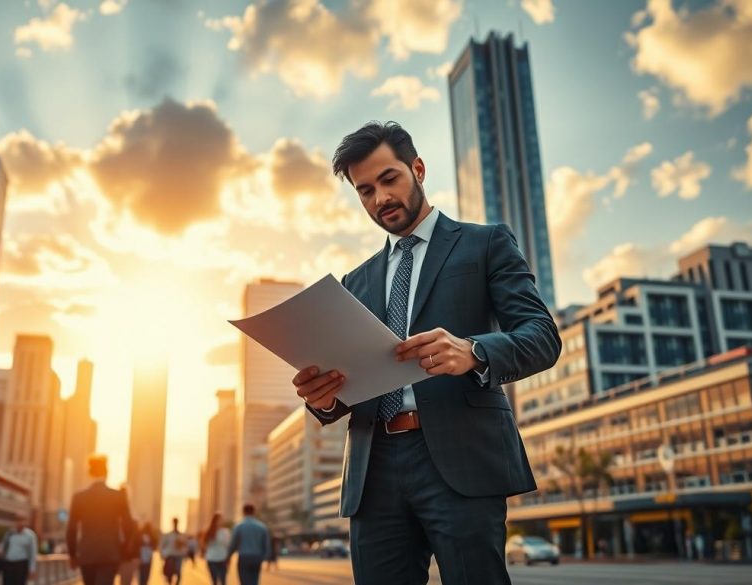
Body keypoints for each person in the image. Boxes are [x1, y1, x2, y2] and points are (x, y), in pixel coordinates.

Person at [295, 121, 561, 585]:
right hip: (372, 468)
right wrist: (324, 399)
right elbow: (349, 385)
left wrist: (474, 351)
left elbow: (542, 336)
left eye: (389, 179)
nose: (380, 199)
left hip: (461, 458)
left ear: (417, 169)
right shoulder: (354, 283)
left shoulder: (485, 243)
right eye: (365, 191)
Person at [67, 455, 136, 585]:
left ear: (89, 473)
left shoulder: (79, 498)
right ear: (107, 472)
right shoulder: (118, 497)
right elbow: (129, 526)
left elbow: (71, 529)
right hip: (110, 554)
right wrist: (124, 550)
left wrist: (72, 555)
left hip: (87, 554)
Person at [226, 504, 270, 585]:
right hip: (257, 557)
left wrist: (228, 557)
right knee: (254, 581)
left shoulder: (239, 526)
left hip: (244, 557)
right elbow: (266, 544)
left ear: (243, 512)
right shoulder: (262, 527)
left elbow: (233, 544)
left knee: (245, 581)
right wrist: (265, 557)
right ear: (254, 512)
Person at [0, 514, 38, 585]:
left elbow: (33, 553)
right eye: (18, 520)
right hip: (8, 565)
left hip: (21, 565)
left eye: (22, 520)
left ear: (26, 522)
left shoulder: (30, 535)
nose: (20, 523)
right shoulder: (9, 533)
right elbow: (2, 546)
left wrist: (32, 569)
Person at [117, 485, 140, 585]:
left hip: (127, 556)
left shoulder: (131, 513)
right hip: (115, 555)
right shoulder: (113, 510)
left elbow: (135, 535)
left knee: (125, 582)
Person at [201, 513, 231, 585]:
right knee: (214, 581)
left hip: (223, 559)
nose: (220, 522)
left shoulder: (226, 532)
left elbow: (228, 545)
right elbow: (204, 544)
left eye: (221, 520)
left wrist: (229, 559)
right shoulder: (209, 531)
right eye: (218, 520)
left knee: (223, 581)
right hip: (212, 559)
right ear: (214, 521)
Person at [159, 518, 187, 585]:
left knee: (178, 572)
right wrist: (162, 554)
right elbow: (162, 545)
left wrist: (183, 551)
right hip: (170, 555)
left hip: (178, 555)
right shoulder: (168, 535)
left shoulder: (181, 535)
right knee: (169, 573)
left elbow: (185, 545)